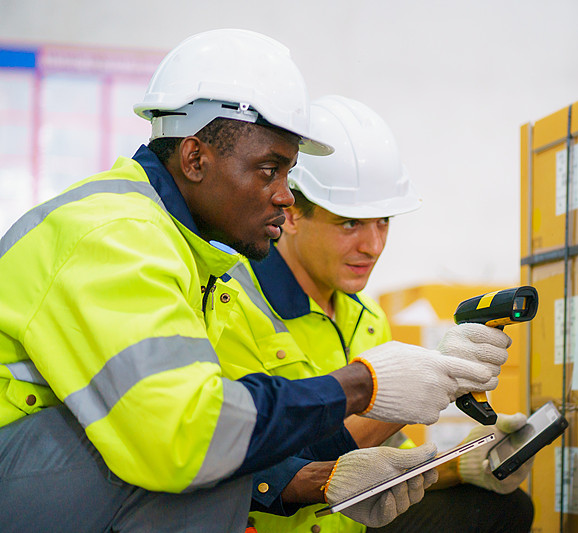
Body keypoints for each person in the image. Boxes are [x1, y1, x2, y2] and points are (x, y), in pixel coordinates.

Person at [0, 30, 509, 532]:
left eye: (287, 173)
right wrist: (361, 385)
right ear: (195, 158)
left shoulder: (191, 261)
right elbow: (188, 438)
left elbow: (244, 433)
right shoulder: (116, 237)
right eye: (269, 170)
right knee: (198, 467)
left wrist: (321, 478)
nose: (286, 197)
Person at [215, 95, 534, 532]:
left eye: (383, 221)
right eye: (350, 224)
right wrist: (432, 382)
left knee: (505, 508)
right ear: (290, 214)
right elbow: (282, 464)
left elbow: (381, 467)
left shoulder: (368, 317)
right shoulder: (232, 306)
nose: (373, 246)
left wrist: (464, 465)